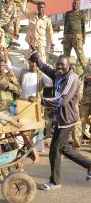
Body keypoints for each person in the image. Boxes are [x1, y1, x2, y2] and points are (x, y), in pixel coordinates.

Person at [29, 46, 91, 188]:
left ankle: (54, 182)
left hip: (67, 120)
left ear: (69, 66)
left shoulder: (72, 79)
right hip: (62, 118)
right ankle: (89, 165)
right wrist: (35, 54)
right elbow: (45, 68)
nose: (59, 68)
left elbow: (62, 100)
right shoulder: (58, 74)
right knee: (63, 149)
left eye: (62, 65)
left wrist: (40, 100)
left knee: (54, 151)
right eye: (57, 65)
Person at [63, 0, 87, 69]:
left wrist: (83, 39)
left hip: (77, 36)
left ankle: (86, 70)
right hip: (67, 36)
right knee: (66, 55)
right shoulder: (68, 13)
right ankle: (65, 70)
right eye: (74, 3)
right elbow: (65, 25)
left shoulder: (81, 14)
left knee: (80, 54)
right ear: (72, 4)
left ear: (78, 5)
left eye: (77, 3)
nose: (75, 5)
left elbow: (83, 28)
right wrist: (64, 36)